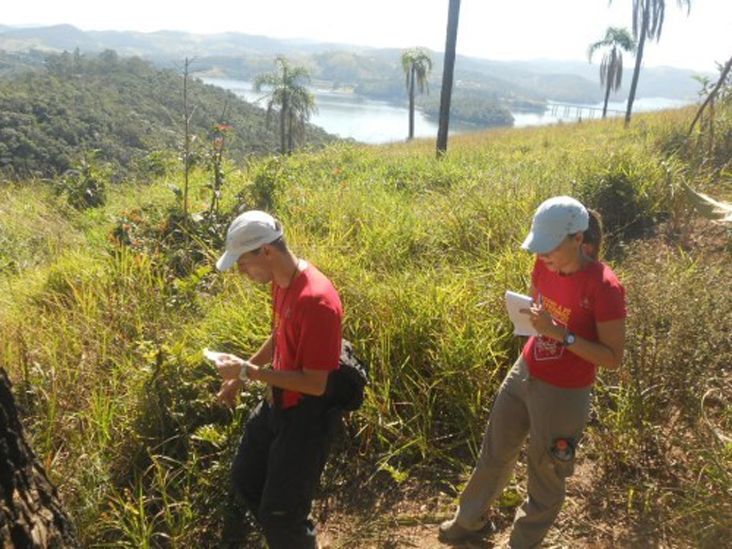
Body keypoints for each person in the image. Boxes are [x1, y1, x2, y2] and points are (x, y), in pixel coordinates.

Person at [439, 196, 626, 547]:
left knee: (545, 473)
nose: (542, 256)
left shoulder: (604, 287)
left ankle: (521, 543)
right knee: (495, 451)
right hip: (526, 369)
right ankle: (469, 520)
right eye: (538, 247)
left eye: (550, 247)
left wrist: (562, 334)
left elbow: (612, 357)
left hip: (565, 393)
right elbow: (536, 308)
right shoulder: (544, 265)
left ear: (577, 239)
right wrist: (524, 314)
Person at [212, 210, 343, 549]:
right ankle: (291, 533)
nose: (240, 270)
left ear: (265, 252)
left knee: (280, 515)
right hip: (277, 403)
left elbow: (316, 384)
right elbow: (279, 334)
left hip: (306, 418)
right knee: (247, 478)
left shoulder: (316, 301)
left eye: (242, 261)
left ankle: (291, 531)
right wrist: (243, 375)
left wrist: (247, 372)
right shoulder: (283, 283)